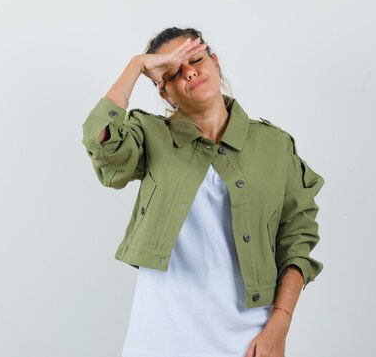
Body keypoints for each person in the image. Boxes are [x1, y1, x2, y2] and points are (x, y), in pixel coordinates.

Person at [81, 27, 324, 357]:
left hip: (248, 339)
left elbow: (297, 238)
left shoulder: (274, 145)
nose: (190, 71)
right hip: (159, 338)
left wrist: (279, 326)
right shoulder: (149, 135)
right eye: (174, 72)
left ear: (215, 62)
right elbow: (103, 144)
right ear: (165, 93)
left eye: (195, 59)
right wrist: (136, 65)